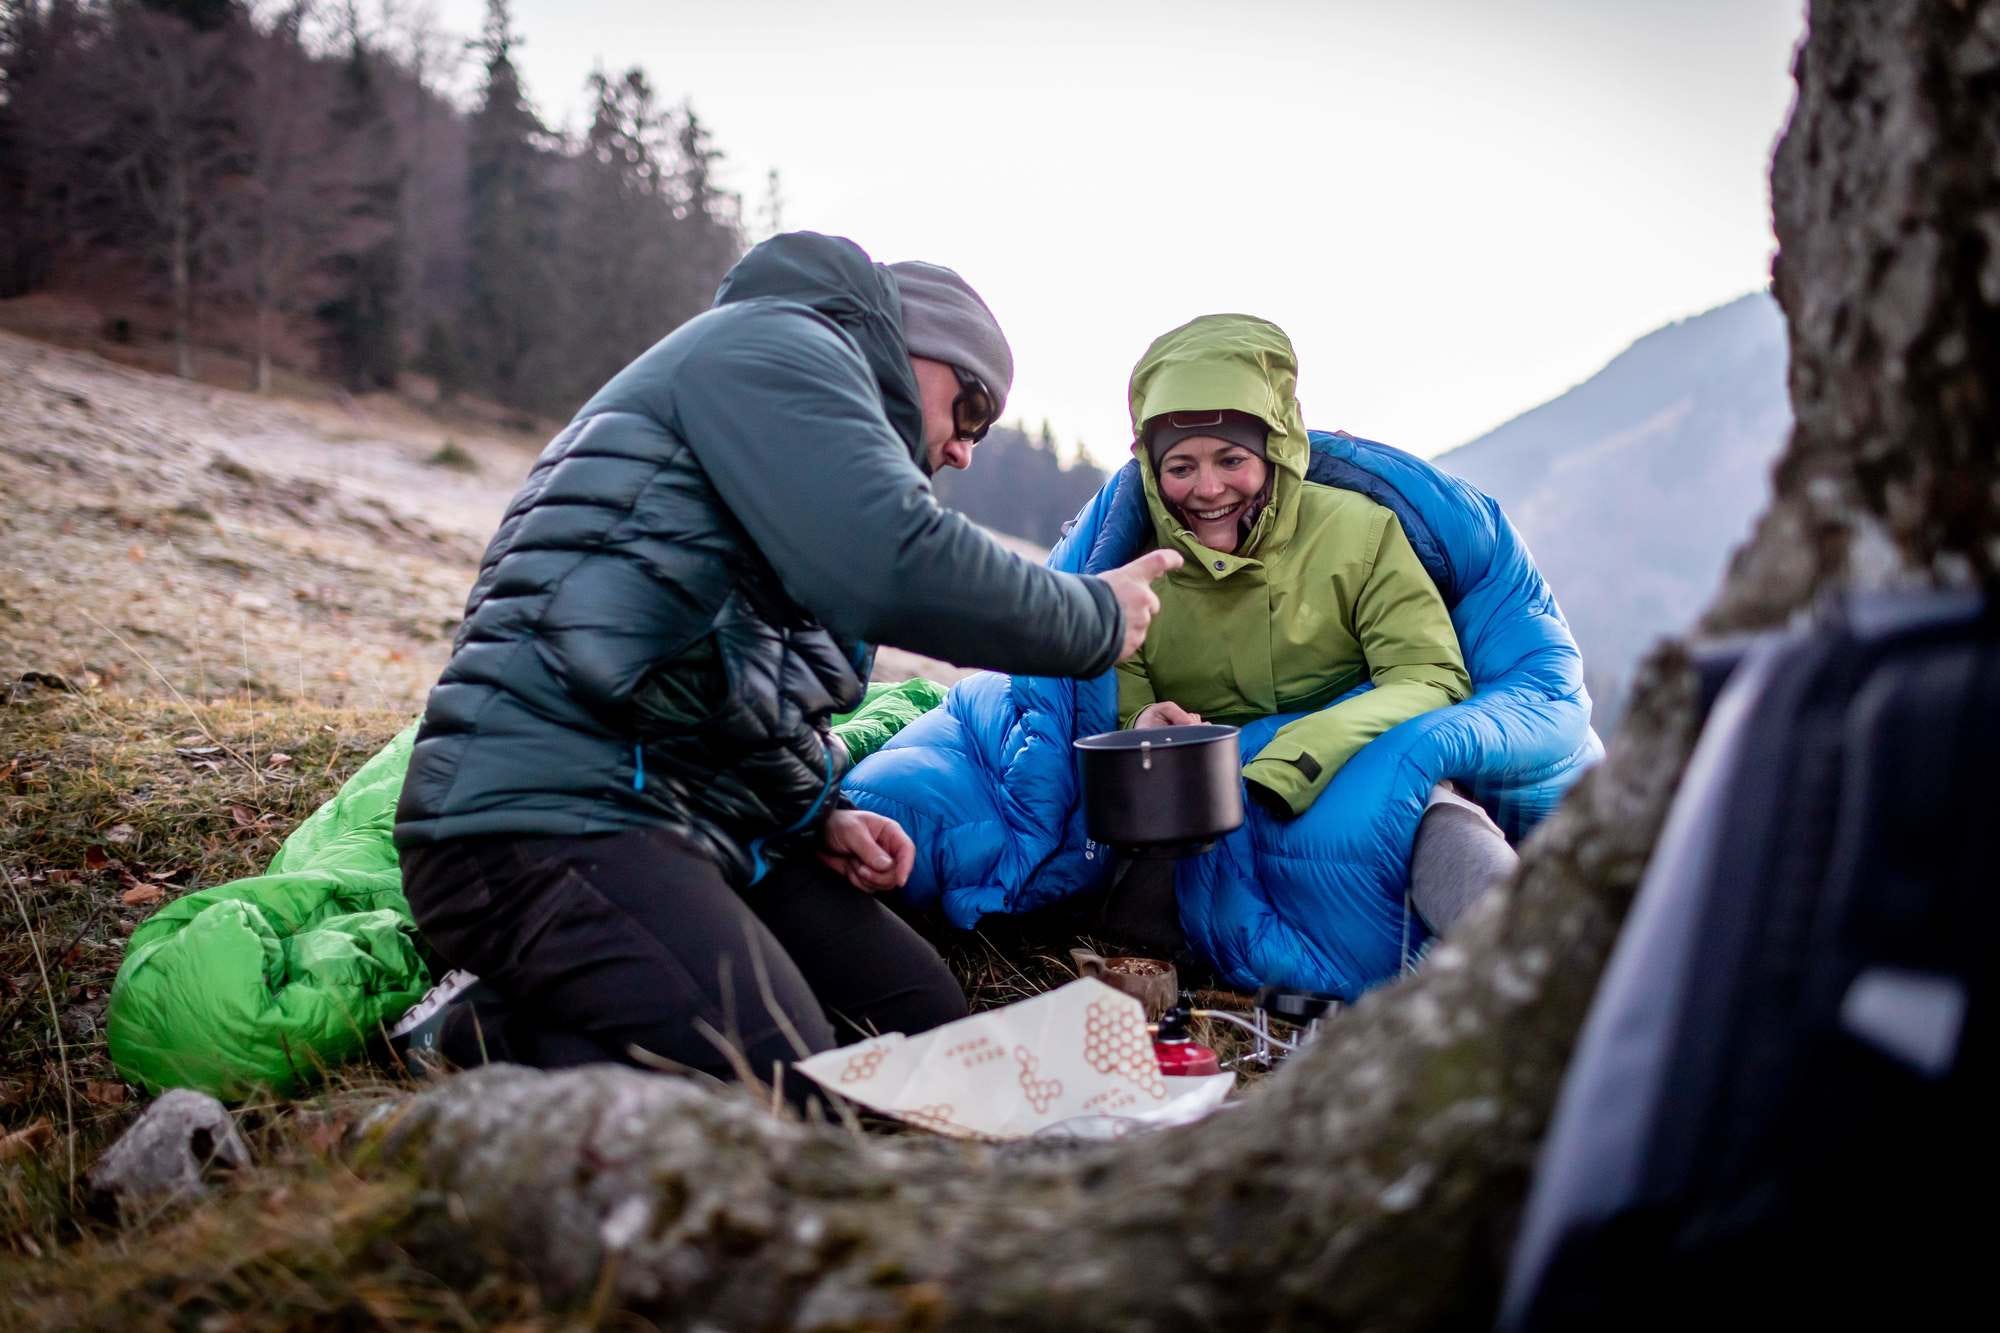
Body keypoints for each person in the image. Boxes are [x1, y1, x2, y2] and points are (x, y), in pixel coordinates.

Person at [386, 231, 1180, 1092]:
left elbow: (750, 686)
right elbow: (893, 564)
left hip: (683, 814)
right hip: (537, 815)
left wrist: (818, 816)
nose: (964, 450)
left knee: (915, 1019)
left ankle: (607, 998)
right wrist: (1094, 613)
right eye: (972, 408)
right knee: (766, 1069)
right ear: (919, 350)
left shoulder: (804, 441)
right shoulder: (778, 350)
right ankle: (471, 1031)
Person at [1104, 312, 1513, 951]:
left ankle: (1542, 974)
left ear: (1273, 449)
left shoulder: (1358, 532)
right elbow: (1113, 695)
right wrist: (1142, 725)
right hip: (1200, 810)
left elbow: (1429, 676)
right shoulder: (1131, 566)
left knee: (1445, 828)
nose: (1208, 489)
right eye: (1180, 467)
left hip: (1352, 763)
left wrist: (1307, 747)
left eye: (1232, 459)